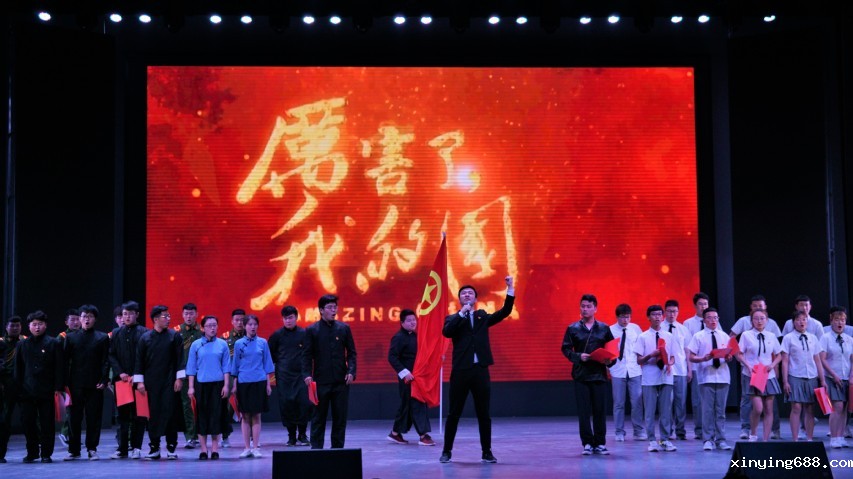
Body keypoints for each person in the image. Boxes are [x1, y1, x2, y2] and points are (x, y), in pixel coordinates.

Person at [440, 276, 514, 464]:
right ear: (460, 299)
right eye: (464, 293)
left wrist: (510, 288)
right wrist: (461, 314)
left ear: (475, 298)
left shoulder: (482, 317)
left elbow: (504, 312)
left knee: (483, 413)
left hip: (480, 370)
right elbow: (447, 332)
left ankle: (486, 452)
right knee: (454, 413)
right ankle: (447, 451)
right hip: (461, 371)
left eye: (470, 293)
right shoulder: (453, 318)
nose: (467, 295)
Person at [561, 294, 615, 456]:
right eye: (582, 306)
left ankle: (600, 443)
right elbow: (565, 349)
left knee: (599, 411)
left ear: (595, 308)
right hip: (581, 375)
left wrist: (609, 361)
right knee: (584, 412)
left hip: (599, 375)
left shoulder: (604, 328)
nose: (585, 309)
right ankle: (587, 443)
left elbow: (612, 351)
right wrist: (578, 356)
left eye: (588, 306)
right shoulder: (573, 328)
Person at [303, 295, 357, 450]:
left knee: (340, 419)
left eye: (335, 307)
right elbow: (306, 355)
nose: (334, 310)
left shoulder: (344, 328)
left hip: (341, 382)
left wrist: (351, 371)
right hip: (320, 382)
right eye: (330, 308)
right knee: (318, 418)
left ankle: (337, 451)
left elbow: (352, 353)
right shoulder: (312, 330)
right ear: (321, 310)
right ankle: (316, 451)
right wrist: (307, 374)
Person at [729, 295, 783, 440]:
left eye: (762, 318)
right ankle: (752, 433)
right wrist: (747, 365)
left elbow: (779, 355)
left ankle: (765, 438)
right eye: (756, 318)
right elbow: (739, 353)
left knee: (769, 408)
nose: (759, 321)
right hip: (752, 374)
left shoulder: (771, 335)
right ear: (752, 320)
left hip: (768, 375)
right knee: (758, 408)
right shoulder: (746, 335)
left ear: (766, 320)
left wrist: (773, 365)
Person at [135, 305, 185, 460]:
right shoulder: (145, 338)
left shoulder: (174, 336)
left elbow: (180, 359)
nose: (168, 319)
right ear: (155, 319)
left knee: (170, 413)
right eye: (165, 316)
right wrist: (139, 382)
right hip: (151, 383)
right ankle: (154, 448)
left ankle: (171, 448)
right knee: (153, 415)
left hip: (170, 382)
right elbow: (139, 361)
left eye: (169, 316)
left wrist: (179, 378)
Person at [15, 310, 64, 463]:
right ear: (29, 326)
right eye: (34, 324)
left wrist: (58, 388)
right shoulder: (22, 344)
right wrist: (18, 389)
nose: (37, 327)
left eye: (40, 324)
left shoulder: (54, 343)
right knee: (28, 423)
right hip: (27, 390)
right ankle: (32, 452)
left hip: (47, 390)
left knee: (47, 423)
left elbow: (60, 367)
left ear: (45, 325)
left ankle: (46, 454)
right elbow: (18, 369)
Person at [63, 305, 110, 461]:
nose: (86, 319)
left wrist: (104, 379)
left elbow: (105, 361)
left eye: (90, 316)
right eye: (84, 316)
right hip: (74, 384)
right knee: (73, 418)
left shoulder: (102, 337)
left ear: (95, 319)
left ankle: (92, 449)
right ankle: (74, 450)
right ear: (79, 319)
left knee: (93, 418)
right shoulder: (71, 338)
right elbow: (65, 362)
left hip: (95, 384)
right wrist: (64, 383)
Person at [687, 307, 733, 451]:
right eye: (710, 318)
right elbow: (691, 357)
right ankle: (707, 439)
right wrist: (703, 358)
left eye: (715, 318)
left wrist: (729, 357)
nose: (713, 320)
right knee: (707, 410)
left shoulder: (724, 336)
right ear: (704, 320)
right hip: (706, 376)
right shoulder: (698, 336)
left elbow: (730, 355)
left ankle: (721, 439)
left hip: (723, 376)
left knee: (721, 411)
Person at [387, 308, 434, 446]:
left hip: (417, 377)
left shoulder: (415, 336)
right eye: (409, 320)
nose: (413, 322)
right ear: (402, 323)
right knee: (417, 403)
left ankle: (395, 433)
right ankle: (423, 435)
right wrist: (404, 372)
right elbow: (392, 357)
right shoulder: (398, 337)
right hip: (407, 378)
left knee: (407, 405)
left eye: (414, 320)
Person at [186, 315, 230, 460]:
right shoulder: (196, 345)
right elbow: (191, 367)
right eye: (209, 325)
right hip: (201, 385)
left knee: (216, 417)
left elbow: (226, 367)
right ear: (203, 328)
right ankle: (203, 450)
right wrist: (191, 387)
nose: (212, 328)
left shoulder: (222, 344)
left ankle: (215, 449)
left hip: (218, 385)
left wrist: (226, 385)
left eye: (214, 325)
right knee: (202, 417)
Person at [108, 301, 147, 459]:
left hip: (139, 381)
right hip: (122, 381)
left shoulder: (144, 332)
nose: (127, 317)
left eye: (130, 314)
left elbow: (145, 357)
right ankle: (122, 449)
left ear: (137, 315)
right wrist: (120, 372)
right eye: (124, 314)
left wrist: (137, 375)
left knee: (139, 415)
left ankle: (137, 447)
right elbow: (111, 355)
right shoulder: (116, 333)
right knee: (123, 416)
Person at [268, 305, 312, 447]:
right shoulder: (276, 336)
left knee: (303, 404)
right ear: (282, 319)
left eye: (291, 318)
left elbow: (309, 355)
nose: (288, 321)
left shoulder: (304, 334)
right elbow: (270, 355)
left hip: (301, 376)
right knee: (287, 405)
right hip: (284, 377)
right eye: (285, 318)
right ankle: (291, 436)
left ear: (296, 318)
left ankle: (302, 435)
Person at [232, 314, 274, 458]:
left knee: (256, 415)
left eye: (255, 324)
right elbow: (235, 366)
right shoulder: (238, 344)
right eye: (250, 324)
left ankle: (255, 447)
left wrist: (268, 384)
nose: (252, 327)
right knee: (245, 416)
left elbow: (267, 364)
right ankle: (246, 448)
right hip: (243, 382)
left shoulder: (263, 342)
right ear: (244, 326)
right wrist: (234, 385)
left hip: (259, 381)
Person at [780, 309, 825, 442]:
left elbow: (817, 359)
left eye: (804, 319)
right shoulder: (788, 338)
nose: (801, 322)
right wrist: (785, 381)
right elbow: (785, 361)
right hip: (795, 375)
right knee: (796, 407)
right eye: (798, 320)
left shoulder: (813, 338)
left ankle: (809, 438)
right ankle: (795, 439)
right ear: (793, 322)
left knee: (810, 408)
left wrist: (822, 380)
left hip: (811, 376)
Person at [636, 305, 676, 452]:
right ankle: (652, 440)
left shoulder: (669, 336)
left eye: (660, 314)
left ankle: (664, 439)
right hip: (649, 376)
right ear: (648, 317)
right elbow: (639, 360)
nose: (657, 317)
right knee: (650, 410)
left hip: (666, 375)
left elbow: (673, 356)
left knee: (666, 410)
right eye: (654, 314)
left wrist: (670, 363)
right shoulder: (643, 336)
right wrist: (650, 355)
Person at [608, 303, 645, 442]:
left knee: (637, 402)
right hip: (618, 370)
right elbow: (608, 351)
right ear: (617, 317)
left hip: (635, 370)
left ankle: (638, 431)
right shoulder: (610, 330)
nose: (625, 320)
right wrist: (609, 368)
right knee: (619, 403)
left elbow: (642, 347)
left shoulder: (636, 329)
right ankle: (619, 432)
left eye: (628, 317)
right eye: (623, 317)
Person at [819, 306, 852, 448]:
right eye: (837, 320)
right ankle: (833, 437)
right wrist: (834, 375)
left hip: (847, 377)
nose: (840, 323)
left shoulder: (849, 339)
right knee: (837, 406)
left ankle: (840, 436)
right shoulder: (826, 338)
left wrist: (851, 376)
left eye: (843, 320)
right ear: (831, 321)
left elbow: (852, 359)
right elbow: (822, 359)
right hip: (832, 377)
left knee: (844, 408)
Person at [175, 303, 203, 449]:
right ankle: (190, 436)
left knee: (202, 405)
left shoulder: (202, 332)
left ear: (196, 314)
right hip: (185, 376)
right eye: (186, 313)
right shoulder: (176, 332)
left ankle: (201, 435)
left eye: (191, 313)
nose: (189, 316)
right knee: (187, 406)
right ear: (182, 315)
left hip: (202, 375)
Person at [682, 292, 710, 440]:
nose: (703, 307)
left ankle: (710, 429)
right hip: (695, 366)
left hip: (711, 366)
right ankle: (699, 430)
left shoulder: (713, 320)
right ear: (695, 306)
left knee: (710, 401)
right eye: (700, 304)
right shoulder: (688, 323)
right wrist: (689, 368)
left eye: (705, 304)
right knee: (697, 401)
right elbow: (687, 348)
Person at [219, 308, 247, 448]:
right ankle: (225, 436)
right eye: (237, 320)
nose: (240, 323)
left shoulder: (251, 337)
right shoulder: (224, 338)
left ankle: (252, 438)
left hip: (247, 375)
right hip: (230, 377)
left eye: (242, 320)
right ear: (232, 321)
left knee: (249, 407)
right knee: (228, 407)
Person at [662, 299, 690, 440]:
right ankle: (667, 431)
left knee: (681, 402)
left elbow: (687, 351)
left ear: (678, 312)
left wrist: (689, 369)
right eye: (669, 311)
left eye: (674, 311)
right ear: (664, 312)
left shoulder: (683, 329)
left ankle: (680, 430)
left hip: (681, 370)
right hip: (664, 371)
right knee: (667, 402)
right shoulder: (660, 328)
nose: (672, 314)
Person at [0, 315, 26, 463]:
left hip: (23, 385)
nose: (15, 328)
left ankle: (33, 453)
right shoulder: (1, 342)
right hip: (6, 385)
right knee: (4, 420)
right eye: (12, 326)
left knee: (29, 418)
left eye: (18, 326)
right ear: (6, 327)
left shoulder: (25, 341)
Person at [57, 307, 81, 447]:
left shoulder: (83, 335)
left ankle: (71, 436)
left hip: (79, 376)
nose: (76, 322)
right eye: (72, 320)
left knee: (76, 407)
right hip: (67, 376)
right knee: (69, 406)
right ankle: (65, 433)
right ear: (66, 322)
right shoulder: (62, 337)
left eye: (78, 319)